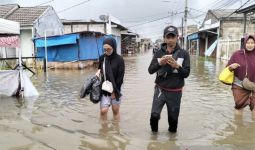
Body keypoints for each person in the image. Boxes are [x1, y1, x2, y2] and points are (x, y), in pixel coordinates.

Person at [148, 25, 190, 133]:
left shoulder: (183, 54)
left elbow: (186, 74)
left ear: (177, 37)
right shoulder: (159, 53)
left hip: (175, 92)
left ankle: (171, 142)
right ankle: (154, 140)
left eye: (173, 37)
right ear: (164, 38)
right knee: (154, 116)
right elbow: (150, 70)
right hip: (160, 90)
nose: (170, 40)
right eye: (168, 37)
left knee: (173, 121)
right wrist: (159, 63)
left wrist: (177, 66)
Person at [96, 37, 125, 121]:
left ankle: (116, 129)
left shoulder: (120, 59)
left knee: (115, 110)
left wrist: (114, 92)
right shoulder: (102, 58)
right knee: (103, 111)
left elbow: (120, 78)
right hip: (105, 87)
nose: (106, 51)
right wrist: (98, 72)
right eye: (104, 49)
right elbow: (99, 68)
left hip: (116, 87)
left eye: (108, 49)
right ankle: (104, 130)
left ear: (114, 47)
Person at [227, 35, 255, 117]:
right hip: (239, 85)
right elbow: (227, 68)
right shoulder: (237, 54)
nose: (250, 45)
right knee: (239, 106)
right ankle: (238, 126)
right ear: (244, 43)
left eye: (252, 43)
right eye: (248, 43)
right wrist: (231, 67)